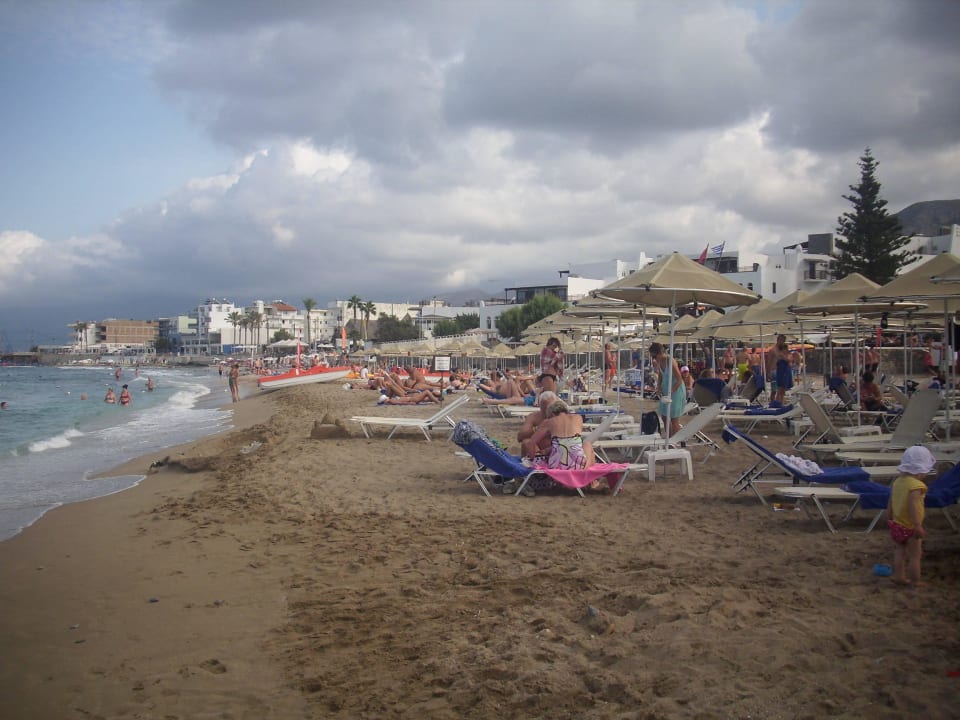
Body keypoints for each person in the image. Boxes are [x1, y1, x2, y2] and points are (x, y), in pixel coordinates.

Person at [887, 446, 936, 587]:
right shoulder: (916, 485)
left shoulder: (897, 482)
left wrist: (889, 517)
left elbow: (890, 501)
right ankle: (915, 581)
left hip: (897, 524)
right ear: (921, 470)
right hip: (910, 526)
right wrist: (917, 525)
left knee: (900, 552)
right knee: (915, 556)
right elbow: (913, 505)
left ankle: (899, 577)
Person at [649, 342, 686, 436]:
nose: (653, 359)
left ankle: (675, 441)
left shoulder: (670, 361)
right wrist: (658, 386)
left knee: (674, 419)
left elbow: (679, 379)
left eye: (654, 356)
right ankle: (668, 440)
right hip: (666, 390)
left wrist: (671, 392)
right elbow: (661, 375)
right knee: (664, 417)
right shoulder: (659, 361)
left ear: (659, 353)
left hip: (676, 391)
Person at [518, 391, 559, 460]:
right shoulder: (534, 416)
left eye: (550, 408)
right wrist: (539, 431)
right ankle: (537, 462)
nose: (548, 411)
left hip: (556, 448)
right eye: (545, 408)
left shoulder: (560, 417)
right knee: (526, 442)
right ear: (540, 406)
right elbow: (520, 436)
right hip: (539, 449)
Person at [772, 339, 793, 406]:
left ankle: (781, 403)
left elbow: (790, 362)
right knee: (780, 389)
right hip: (782, 373)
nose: (787, 350)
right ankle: (778, 403)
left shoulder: (784, 355)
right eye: (786, 349)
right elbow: (788, 360)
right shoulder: (781, 355)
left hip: (785, 373)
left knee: (783, 390)